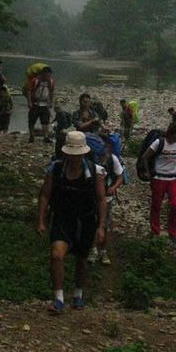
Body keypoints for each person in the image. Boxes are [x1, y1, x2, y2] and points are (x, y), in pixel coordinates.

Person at [38, 131, 107, 313]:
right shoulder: (55, 169)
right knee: (56, 255)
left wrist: (101, 226)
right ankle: (59, 298)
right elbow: (45, 194)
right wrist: (41, 220)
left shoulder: (95, 172)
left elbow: (101, 199)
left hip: (86, 220)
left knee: (81, 259)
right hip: (62, 218)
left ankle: (78, 294)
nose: (74, 158)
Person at [140, 123, 176, 245]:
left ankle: (173, 233)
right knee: (156, 205)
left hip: (173, 178)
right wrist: (148, 173)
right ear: (171, 133)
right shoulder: (159, 143)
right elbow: (145, 156)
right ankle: (155, 231)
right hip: (159, 177)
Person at [89, 133, 124, 265]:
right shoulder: (90, 158)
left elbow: (120, 176)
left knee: (105, 224)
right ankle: (93, 250)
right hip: (92, 197)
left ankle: (102, 251)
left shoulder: (112, 159)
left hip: (107, 197)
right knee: (94, 223)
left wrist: (114, 187)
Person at [27, 66, 55, 144]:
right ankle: (31, 135)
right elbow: (29, 91)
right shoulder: (35, 81)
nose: (48, 77)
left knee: (45, 121)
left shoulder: (51, 81)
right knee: (32, 120)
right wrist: (29, 102)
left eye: (49, 75)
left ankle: (46, 137)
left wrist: (51, 101)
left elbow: (51, 91)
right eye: (47, 75)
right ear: (43, 74)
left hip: (45, 104)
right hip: (35, 103)